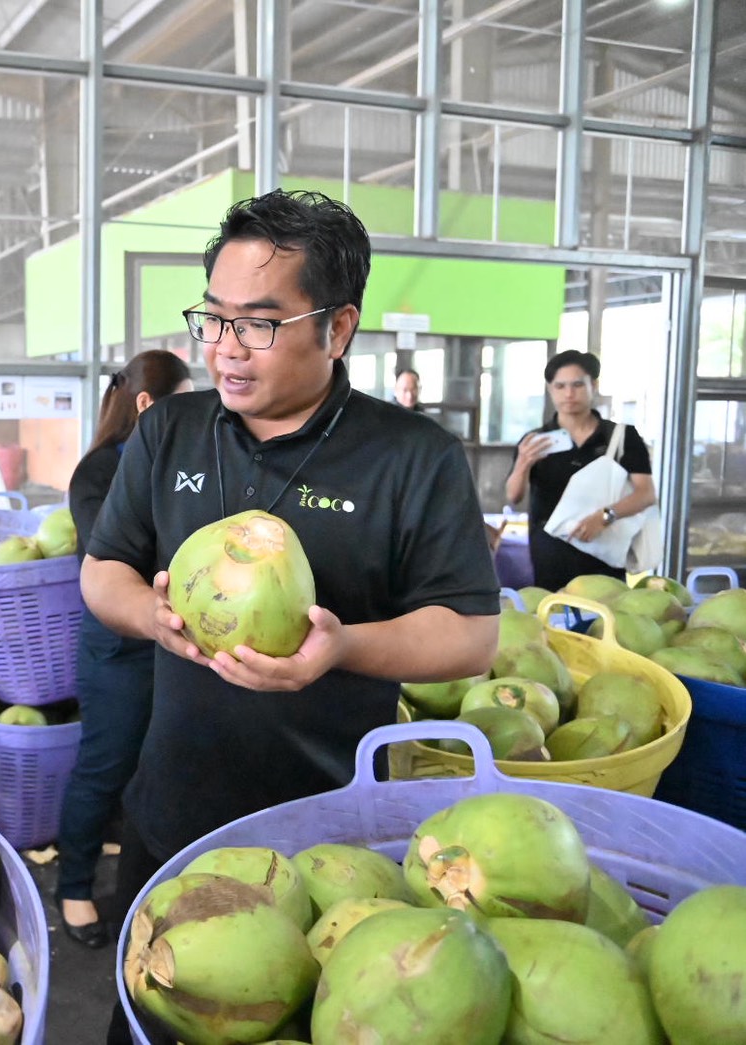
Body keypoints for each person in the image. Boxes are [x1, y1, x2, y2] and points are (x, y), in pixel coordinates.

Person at [80, 190, 500, 1042]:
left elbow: (469, 634)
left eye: (258, 324)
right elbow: (101, 570)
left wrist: (340, 645)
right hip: (172, 815)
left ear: (337, 328)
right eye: (213, 318)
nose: (224, 349)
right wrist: (151, 618)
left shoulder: (410, 456)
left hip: (328, 833)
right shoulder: (172, 433)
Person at [55, 349, 192, 950]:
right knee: (104, 765)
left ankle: (144, 889)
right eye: (181, 403)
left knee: (159, 767)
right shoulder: (99, 473)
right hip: (120, 646)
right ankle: (74, 887)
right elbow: (109, 555)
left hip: (177, 644)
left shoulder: (182, 466)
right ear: (147, 405)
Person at [504, 350, 655, 592]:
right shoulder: (537, 440)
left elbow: (645, 494)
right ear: (550, 389)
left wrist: (605, 516)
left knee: (607, 617)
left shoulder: (621, 437)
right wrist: (523, 463)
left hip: (604, 551)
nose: (569, 394)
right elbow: (513, 496)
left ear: (593, 385)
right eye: (560, 386)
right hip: (550, 557)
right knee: (552, 619)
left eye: (577, 385)